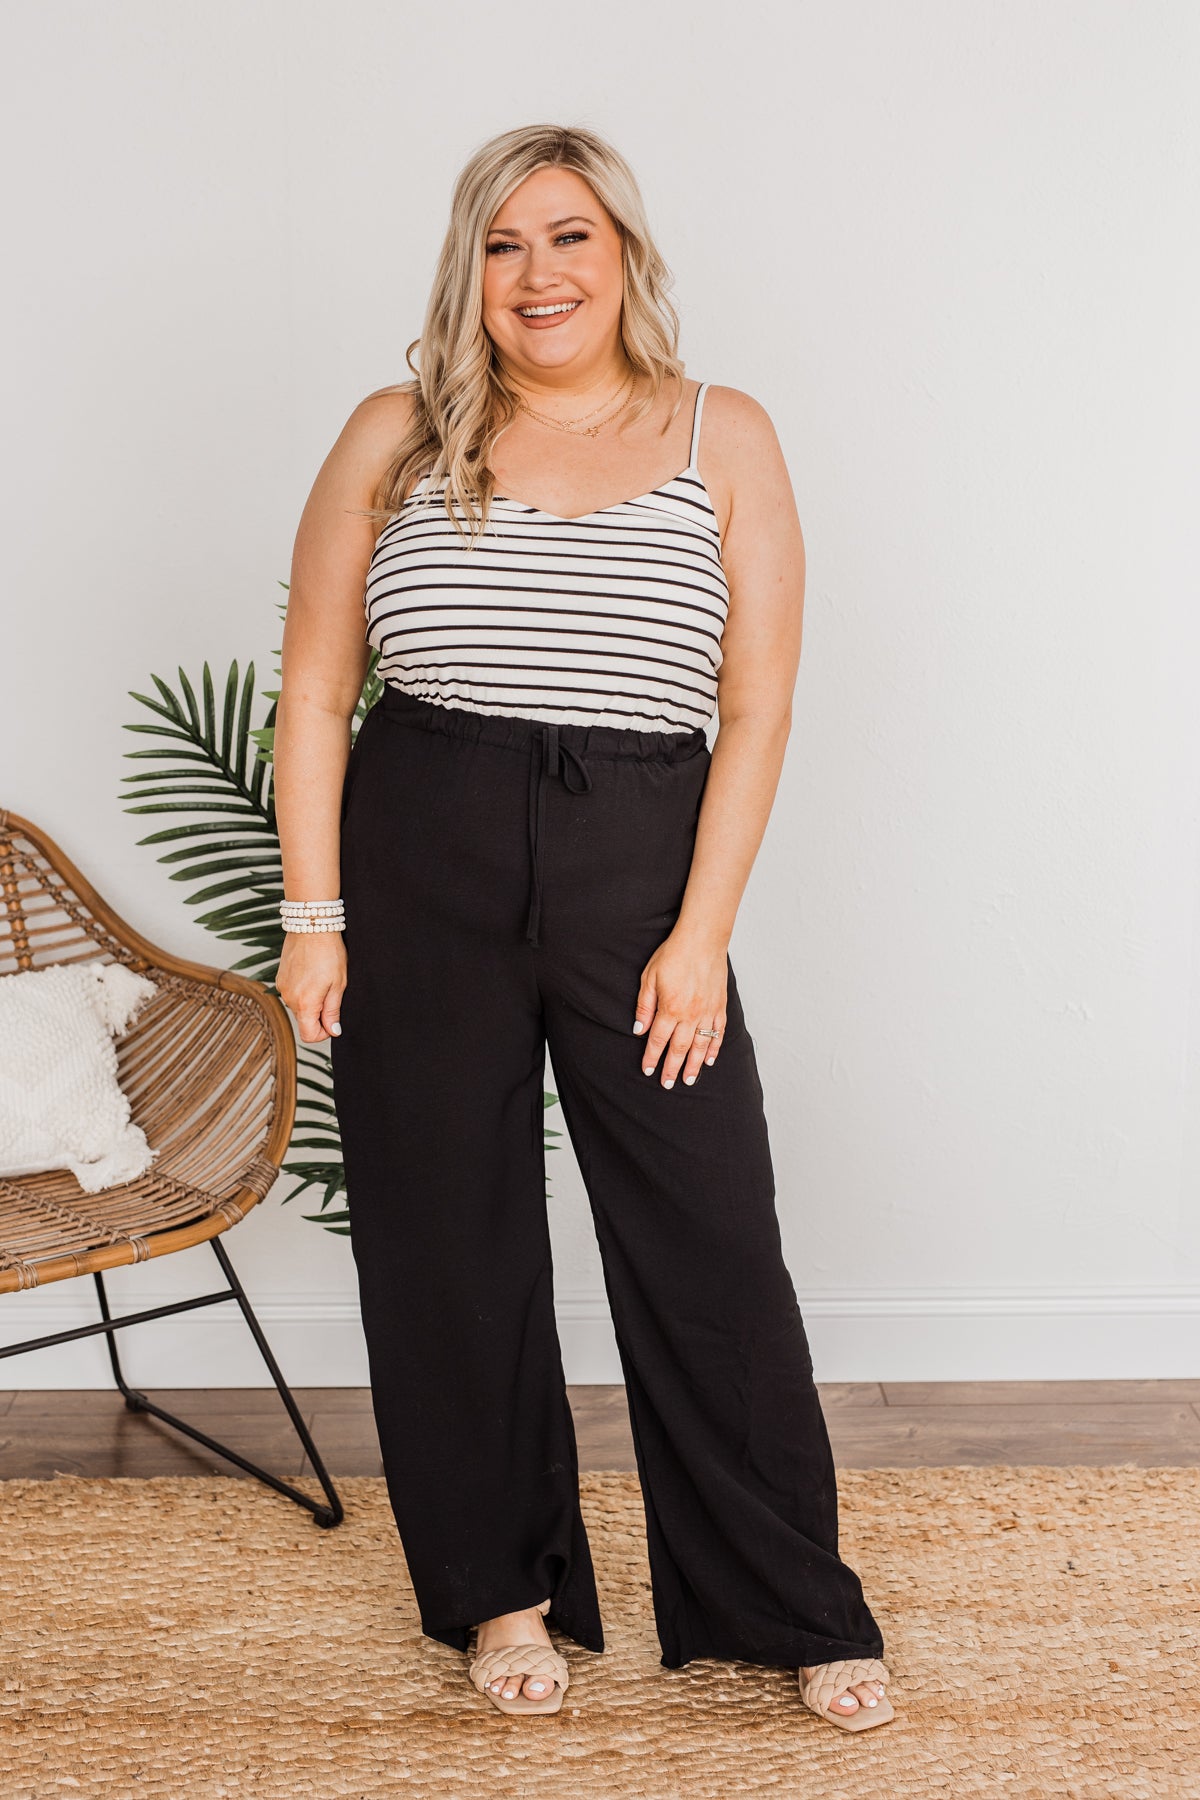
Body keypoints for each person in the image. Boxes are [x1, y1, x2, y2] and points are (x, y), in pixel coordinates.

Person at [273, 122, 895, 1733]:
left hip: (639, 864)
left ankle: (788, 1603)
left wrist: (700, 936)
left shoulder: (721, 432)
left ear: (624, 255)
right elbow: (319, 690)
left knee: (709, 1236)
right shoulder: (396, 433)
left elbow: (753, 710)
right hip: (425, 847)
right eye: (502, 244)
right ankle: (501, 1593)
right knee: (447, 1236)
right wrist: (315, 918)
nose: (536, 274)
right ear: (466, 269)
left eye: (568, 238)